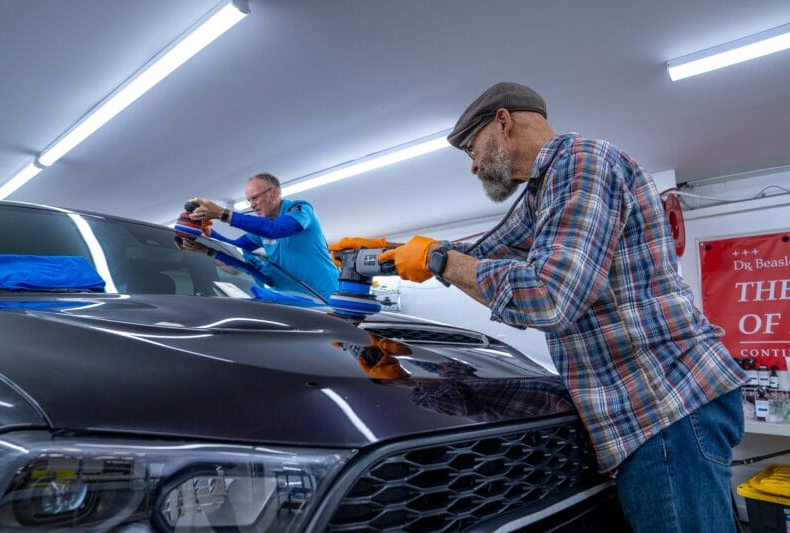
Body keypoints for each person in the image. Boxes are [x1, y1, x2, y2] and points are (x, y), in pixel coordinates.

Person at [329, 82, 748, 532]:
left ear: (503, 122)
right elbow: (487, 253)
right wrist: (389, 252)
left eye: (472, 148)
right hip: (649, 409)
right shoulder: (544, 193)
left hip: (665, 405)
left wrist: (437, 258)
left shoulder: (582, 163)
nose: (472, 166)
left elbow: (551, 297)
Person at [187, 172, 338, 299]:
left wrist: (223, 214)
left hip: (325, 296)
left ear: (274, 192)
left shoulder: (300, 209)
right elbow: (234, 249)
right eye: (249, 201)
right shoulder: (262, 228)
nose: (252, 204)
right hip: (290, 299)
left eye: (255, 197)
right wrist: (208, 234)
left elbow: (277, 229)